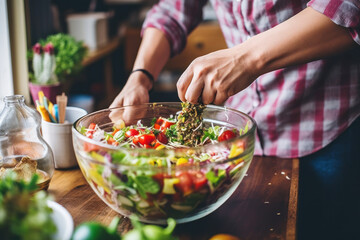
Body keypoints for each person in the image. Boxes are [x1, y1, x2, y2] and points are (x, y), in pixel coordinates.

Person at [110, 1, 360, 239]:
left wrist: (245, 58)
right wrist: (140, 76)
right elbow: (173, 10)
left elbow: (349, 7)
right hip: (240, 138)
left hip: (327, 126)